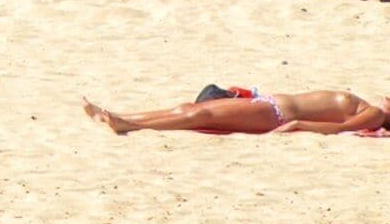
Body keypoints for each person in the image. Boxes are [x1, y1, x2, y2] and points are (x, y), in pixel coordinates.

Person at [85, 85, 390, 135]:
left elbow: (339, 129)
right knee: (190, 108)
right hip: (268, 104)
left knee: (199, 116)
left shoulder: (375, 114)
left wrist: (299, 124)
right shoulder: (368, 104)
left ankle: (130, 125)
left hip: (275, 115)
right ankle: (120, 117)